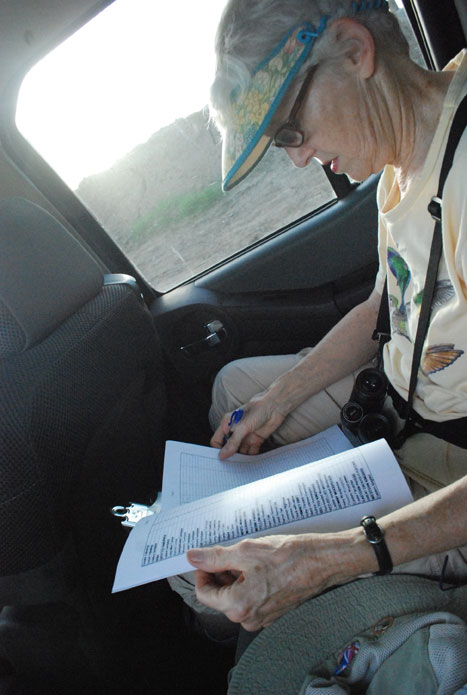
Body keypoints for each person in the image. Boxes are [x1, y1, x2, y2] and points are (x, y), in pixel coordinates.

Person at [175, 0, 467, 636]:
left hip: (450, 460)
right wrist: (278, 401)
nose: (299, 158)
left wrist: (329, 559)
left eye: (289, 132)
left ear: (354, 50)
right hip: (402, 399)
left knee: (216, 588)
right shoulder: (405, 157)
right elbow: (383, 306)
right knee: (238, 393)